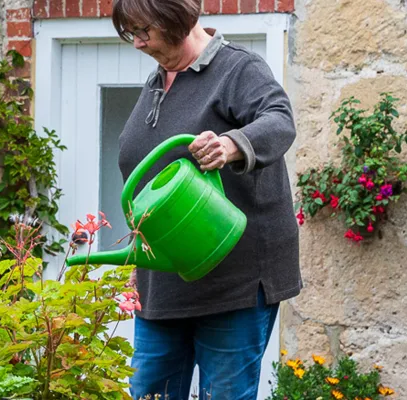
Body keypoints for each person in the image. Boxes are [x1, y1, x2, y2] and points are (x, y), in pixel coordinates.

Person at [109, 0, 301, 399]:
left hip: (233, 283)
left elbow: (279, 119)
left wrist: (231, 144)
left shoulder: (237, 70)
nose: (138, 43)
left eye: (144, 31)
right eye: (132, 33)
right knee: (149, 394)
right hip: (163, 284)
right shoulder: (157, 83)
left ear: (178, 20)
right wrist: (136, 254)